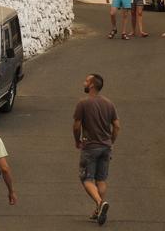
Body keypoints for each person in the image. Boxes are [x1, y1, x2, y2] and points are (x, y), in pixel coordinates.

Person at [73, 72, 119, 225]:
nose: (84, 83)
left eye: (86, 81)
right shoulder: (109, 103)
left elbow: (77, 125)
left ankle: (99, 203)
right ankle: (98, 209)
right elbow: (117, 126)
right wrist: (111, 141)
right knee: (101, 179)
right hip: (106, 147)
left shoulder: (83, 103)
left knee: (86, 178)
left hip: (90, 147)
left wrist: (77, 140)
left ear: (92, 85)